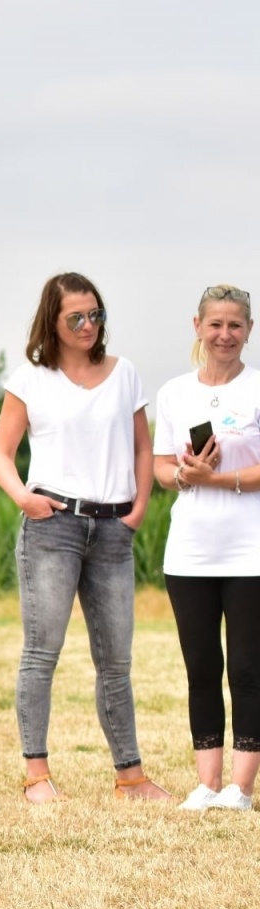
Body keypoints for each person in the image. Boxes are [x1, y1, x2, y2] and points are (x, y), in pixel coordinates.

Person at [0, 272, 171, 803]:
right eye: (77, 317)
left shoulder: (125, 373)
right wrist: (24, 498)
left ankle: (130, 778)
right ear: (54, 322)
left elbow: (143, 446)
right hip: (53, 527)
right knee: (41, 653)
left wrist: (137, 510)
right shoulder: (30, 379)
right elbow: (1, 454)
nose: (89, 325)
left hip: (114, 530)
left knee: (116, 661)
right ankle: (37, 776)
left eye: (96, 315)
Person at [151, 285, 260, 811]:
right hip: (189, 552)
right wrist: (184, 476)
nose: (225, 335)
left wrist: (217, 480)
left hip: (250, 552)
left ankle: (241, 788)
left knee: (246, 667)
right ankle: (207, 783)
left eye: (235, 326)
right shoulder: (174, 393)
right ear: (197, 326)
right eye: (215, 324)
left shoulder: (258, 389)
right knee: (201, 667)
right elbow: (159, 467)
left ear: (249, 331)